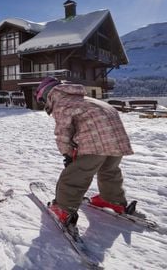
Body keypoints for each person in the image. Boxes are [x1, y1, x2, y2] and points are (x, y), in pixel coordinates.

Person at [35, 77, 136, 227]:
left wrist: (67, 154)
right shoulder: (85, 99)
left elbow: (63, 133)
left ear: (47, 95)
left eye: (43, 100)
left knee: (74, 176)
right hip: (118, 141)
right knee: (109, 171)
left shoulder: (62, 103)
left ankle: (63, 209)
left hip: (95, 143)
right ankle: (113, 200)